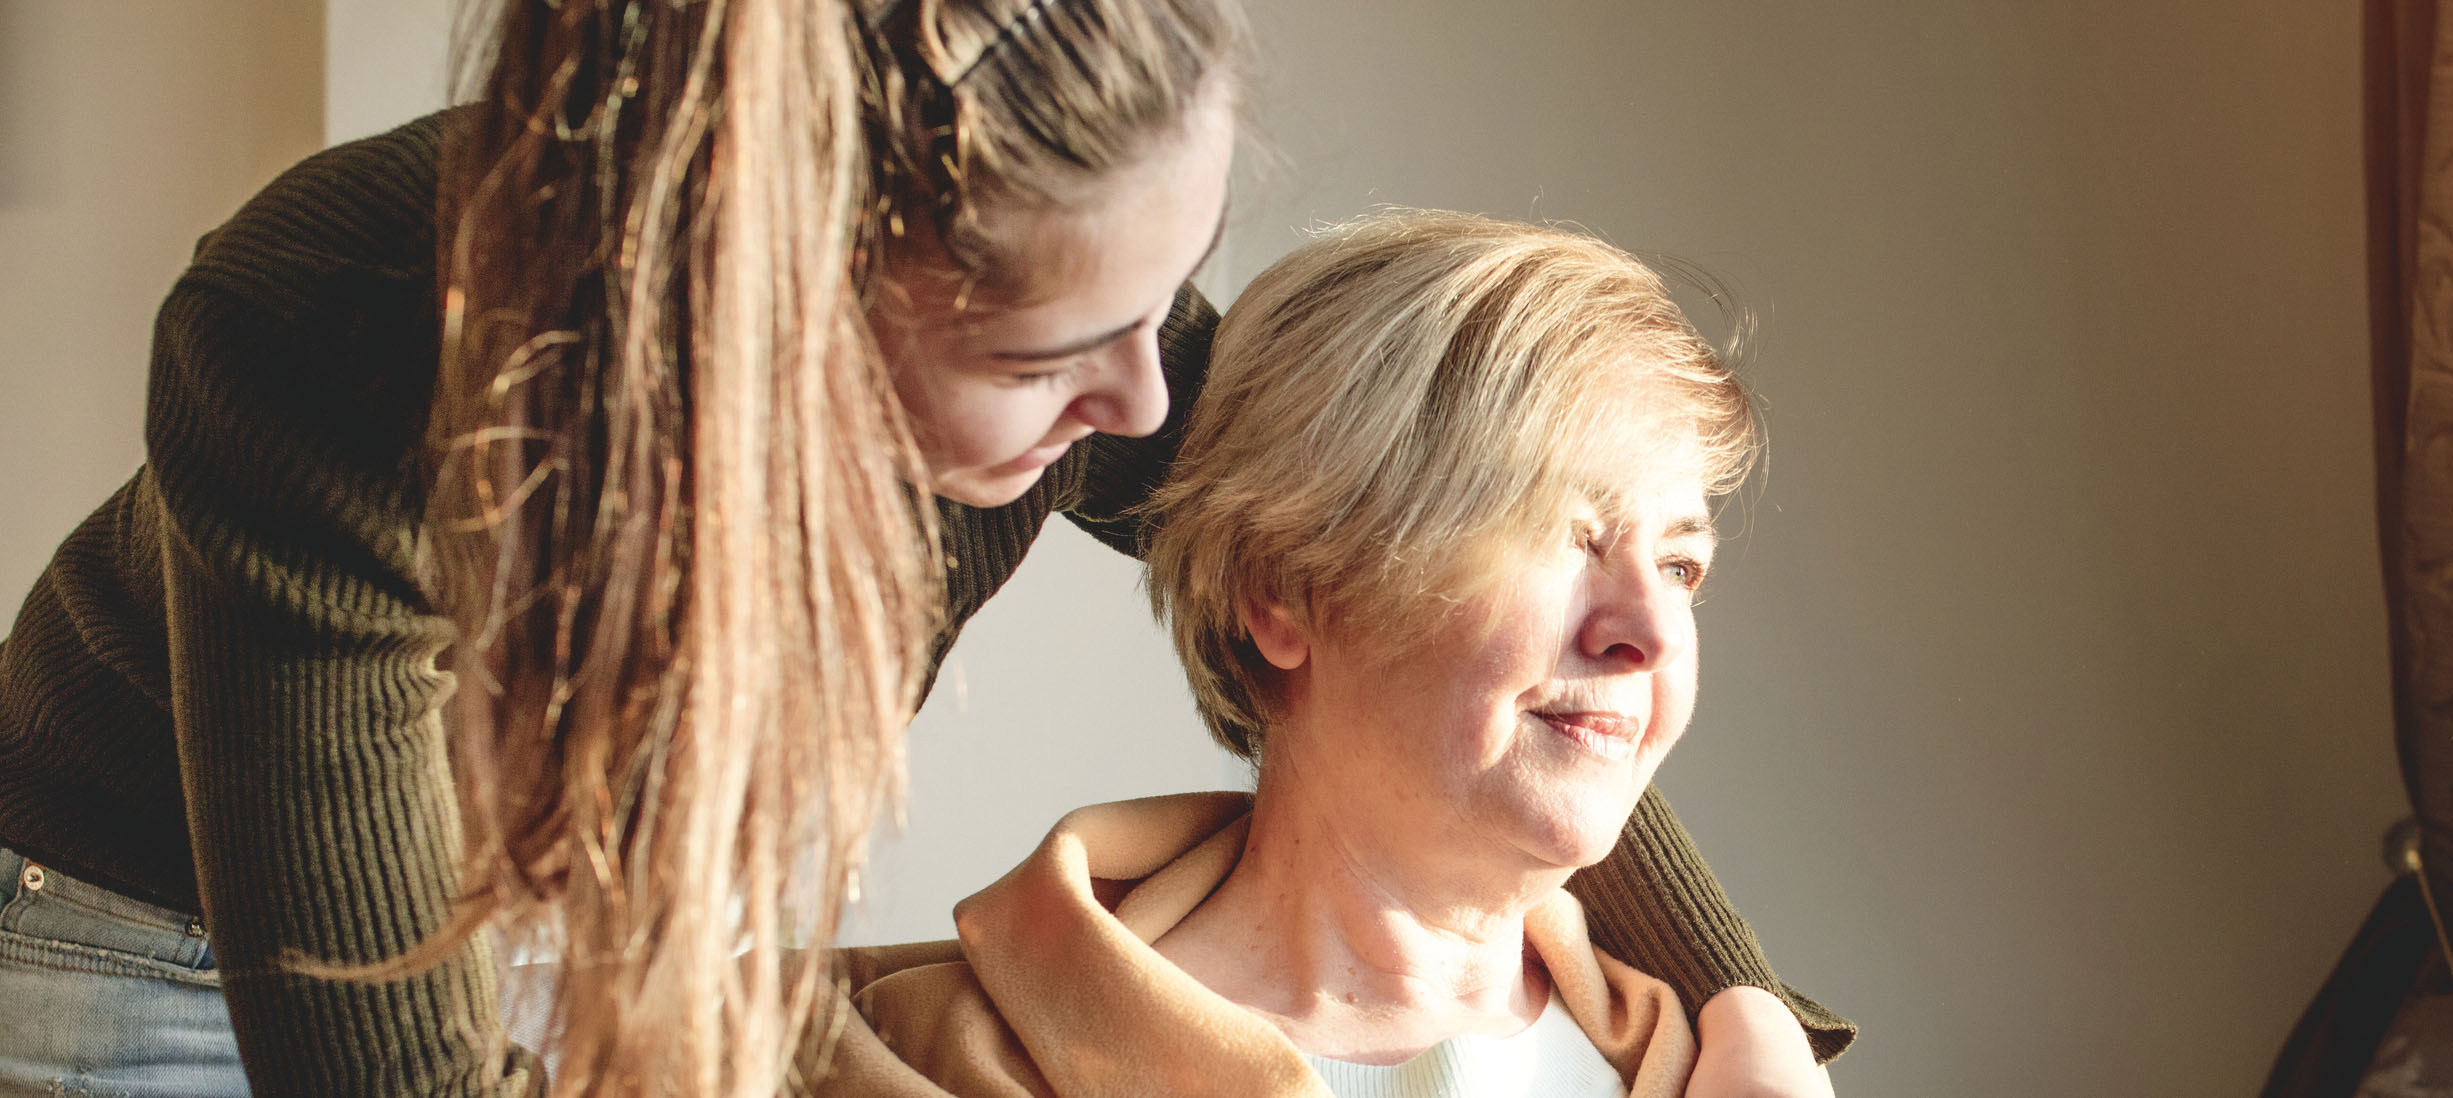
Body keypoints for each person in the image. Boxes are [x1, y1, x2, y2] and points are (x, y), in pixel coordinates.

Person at [0, 2, 1844, 1096]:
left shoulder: (1066, 299)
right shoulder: (332, 343)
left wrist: (1735, 994)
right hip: (157, 953)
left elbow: (1384, 544)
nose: (1145, 406)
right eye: (1048, 356)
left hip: (575, 932)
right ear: (792, 316)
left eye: (1164, 295)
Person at [809, 211, 1836, 1098]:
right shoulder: (887, 1059)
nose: (1650, 633)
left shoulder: (1712, 1073)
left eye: (1681, 567)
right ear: (1284, 593)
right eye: (1562, 534)